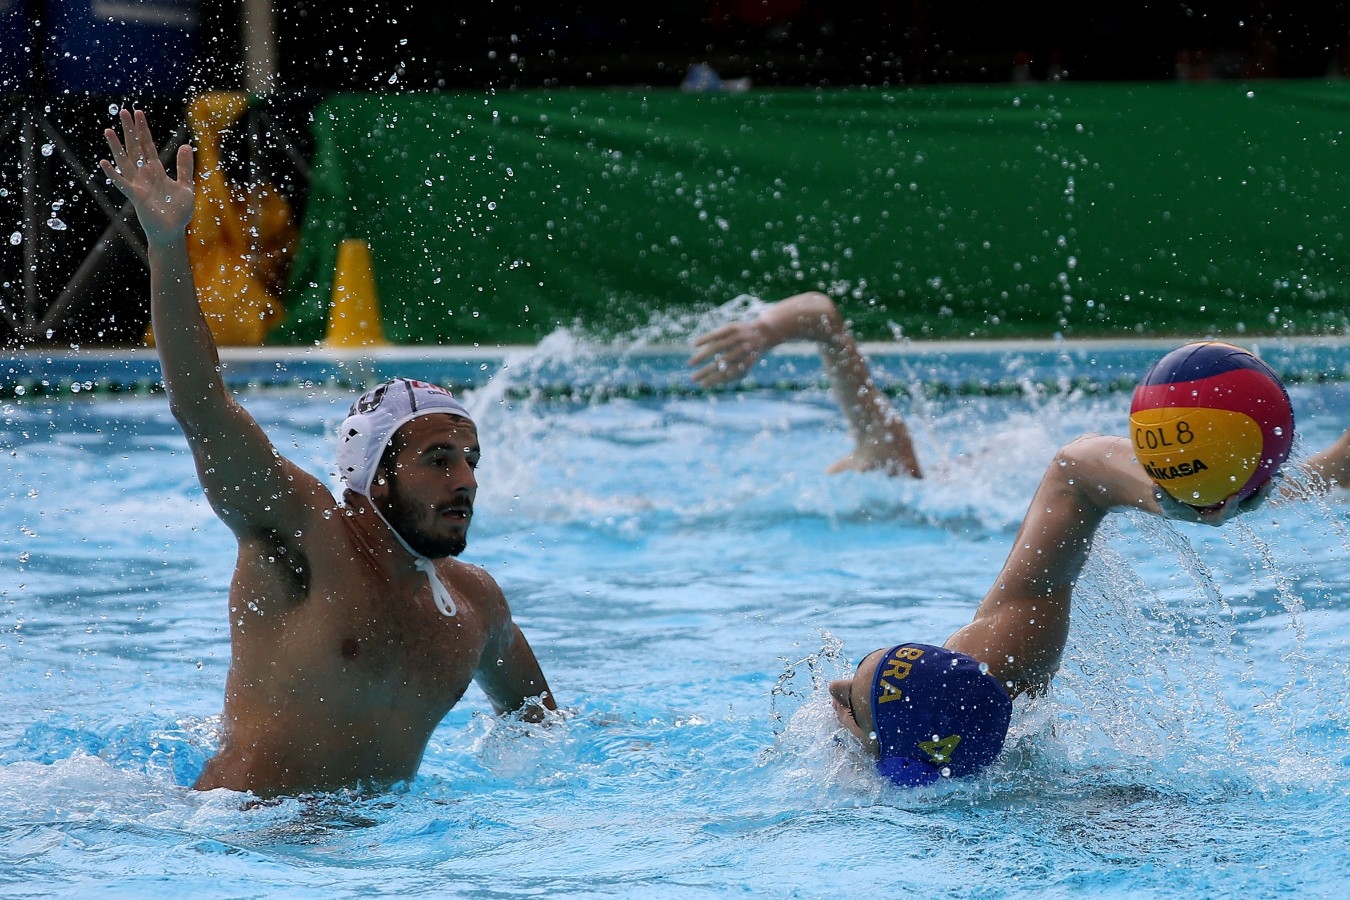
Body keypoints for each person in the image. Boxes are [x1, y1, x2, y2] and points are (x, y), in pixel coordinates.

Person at [691, 292, 1349, 786]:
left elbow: (1073, 471)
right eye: (853, 702)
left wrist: (1177, 501)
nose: (831, 690)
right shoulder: (1000, 679)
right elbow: (1073, 471)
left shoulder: (986, 699)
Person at [100, 109, 555, 798]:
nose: (465, 479)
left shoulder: (476, 608)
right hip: (234, 844)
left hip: (382, 857)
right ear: (373, 478)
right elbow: (201, 405)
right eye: (438, 459)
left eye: (470, 458)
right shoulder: (303, 532)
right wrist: (168, 245)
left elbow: (546, 731)